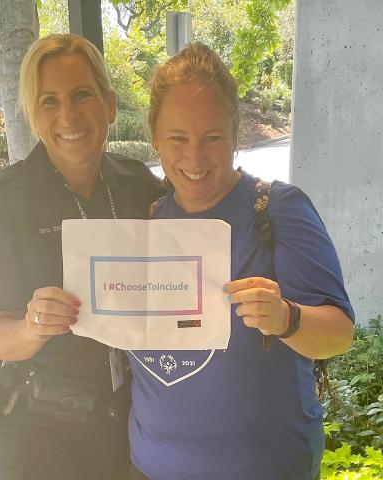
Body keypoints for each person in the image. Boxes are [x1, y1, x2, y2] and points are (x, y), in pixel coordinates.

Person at [127, 43, 355, 480]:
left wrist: (286, 318)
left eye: (212, 138)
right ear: (154, 137)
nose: (194, 157)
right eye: (177, 138)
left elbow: (339, 333)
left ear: (235, 136)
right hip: (153, 467)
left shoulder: (276, 207)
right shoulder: (147, 220)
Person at [0, 33, 163, 480]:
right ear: (35, 116)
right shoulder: (3, 201)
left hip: (128, 424)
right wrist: (34, 325)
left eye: (81, 96)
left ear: (109, 104)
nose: (68, 115)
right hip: (39, 434)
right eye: (49, 101)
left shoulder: (138, 185)